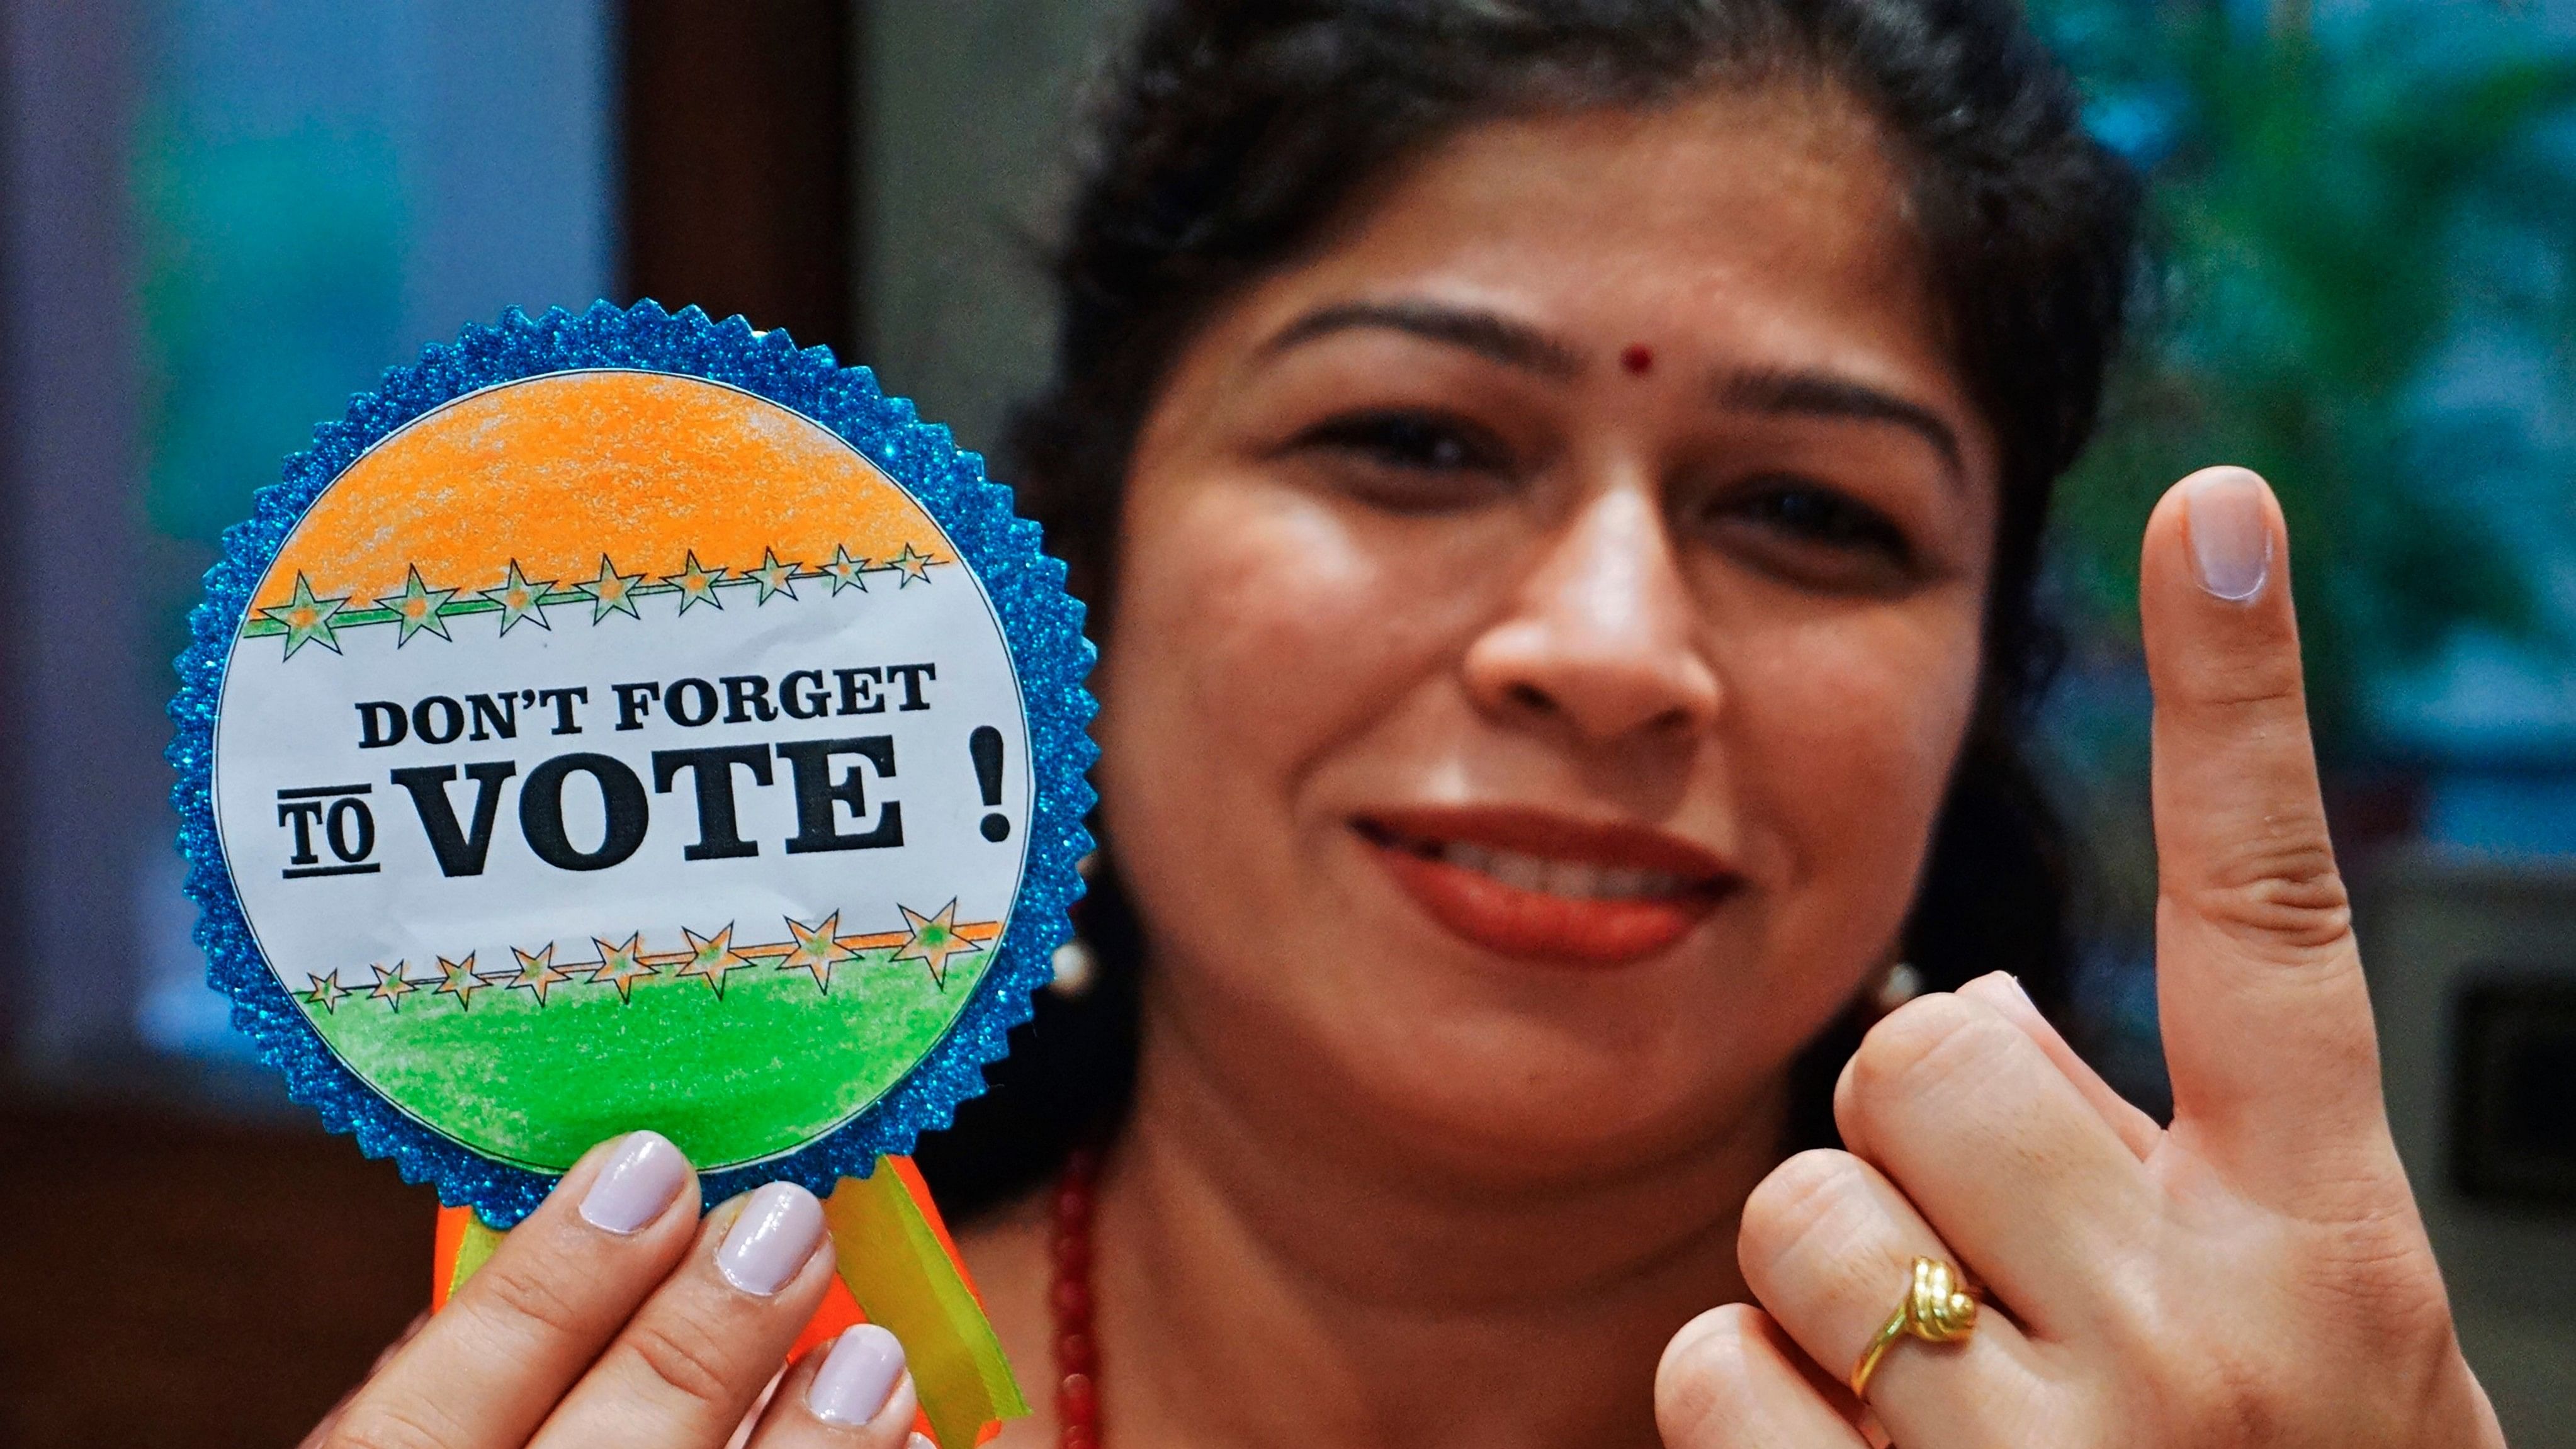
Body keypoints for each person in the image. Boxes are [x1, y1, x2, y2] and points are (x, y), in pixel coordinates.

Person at [298, 4, 2507, 1447]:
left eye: (1805, 512)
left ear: (1972, 688)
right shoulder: (701, 1390)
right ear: (1078, 566)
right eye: (1416, 447)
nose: (1611, 644)